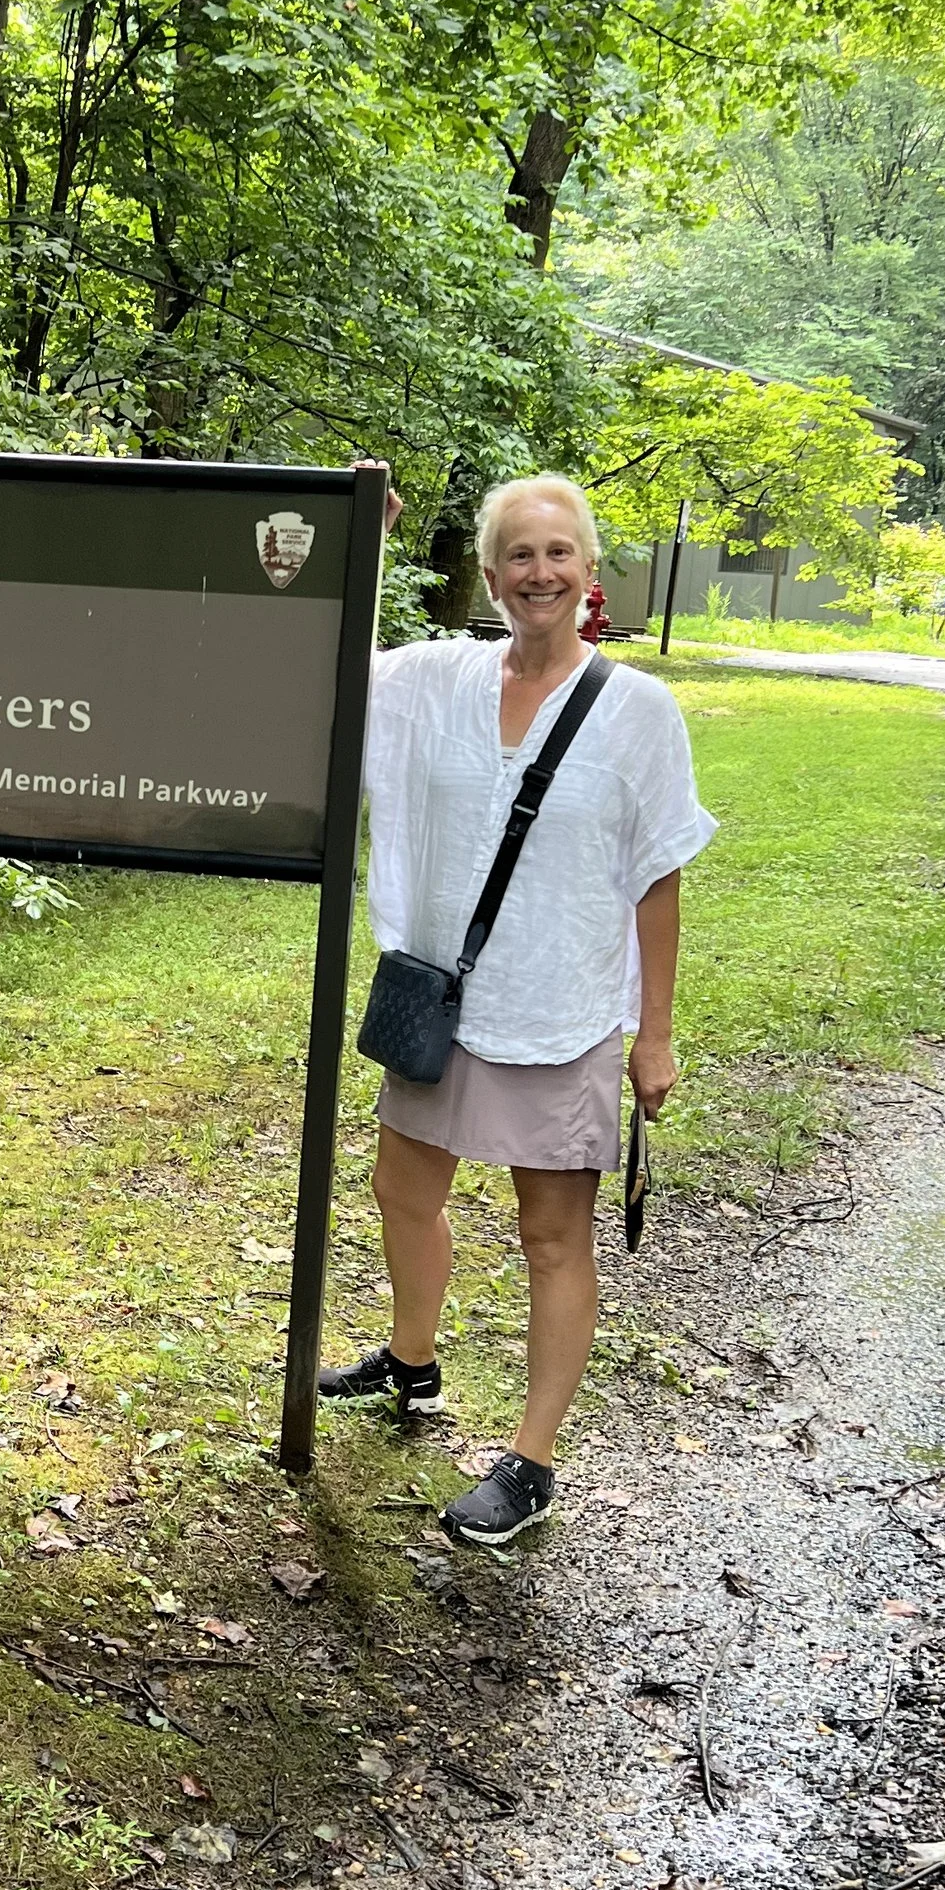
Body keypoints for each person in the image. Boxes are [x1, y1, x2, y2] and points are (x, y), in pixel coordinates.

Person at [318, 473, 715, 1558]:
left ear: (588, 572)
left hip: (560, 1005)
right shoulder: (435, 681)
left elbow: (659, 871)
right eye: (518, 556)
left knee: (551, 1236)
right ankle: (410, 1361)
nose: (539, 573)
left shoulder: (637, 711)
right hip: (440, 997)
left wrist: (656, 1030)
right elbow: (333, 670)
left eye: (559, 553)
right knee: (400, 1189)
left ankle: (530, 1461)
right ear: (489, 576)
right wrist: (366, 547)